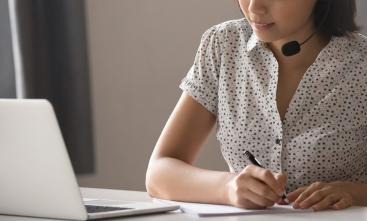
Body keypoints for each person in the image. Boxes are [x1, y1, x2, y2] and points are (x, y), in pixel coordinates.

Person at [146, 0, 367, 211]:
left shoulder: (362, 62)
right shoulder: (224, 44)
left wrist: (354, 194)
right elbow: (159, 173)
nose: (254, 7)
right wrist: (228, 188)